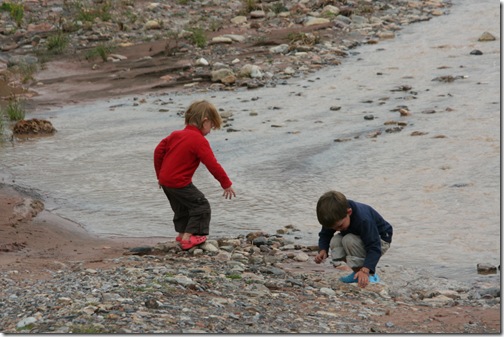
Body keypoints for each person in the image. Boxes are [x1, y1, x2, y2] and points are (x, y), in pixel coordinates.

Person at [154, 100, 236, 250]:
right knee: (201, 206)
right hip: (180, 182)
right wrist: (226, 183)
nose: (210, 130)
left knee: (182, 208)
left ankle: (181, 234)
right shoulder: (199, 140)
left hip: (166, 181)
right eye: (211, 126)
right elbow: (212, 164)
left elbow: (158, 152)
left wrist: (160, 175)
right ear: (205, 121)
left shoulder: (175, 135)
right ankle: (191, 237)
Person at [314, 190, 392, 288]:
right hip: (359, 236)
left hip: (380, 239)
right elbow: (325, 234)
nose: (337, 230)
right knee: (335, 241)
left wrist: (366, 269)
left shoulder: (363, 220)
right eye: (333, 228)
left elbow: (374, 247)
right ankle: (356, 273)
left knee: (348, 240)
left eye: (340, 226)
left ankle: (368, 275)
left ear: (349, 212)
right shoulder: (334, 215)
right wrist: (323, 249)